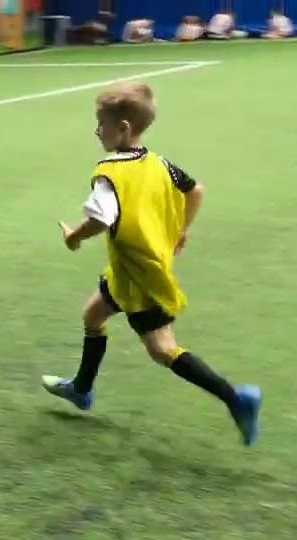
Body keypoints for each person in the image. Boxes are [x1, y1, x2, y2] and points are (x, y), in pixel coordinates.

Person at [41, 82, 262, 446]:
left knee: (163, 349)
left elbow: (100, 220)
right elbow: (196, 190)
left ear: (123, 128)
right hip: (129, 270)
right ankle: (81, 388)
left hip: (141, 278)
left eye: (101, 124)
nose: (97, 131)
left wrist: (74, 238)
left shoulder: (109, 173)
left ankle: (236, 399)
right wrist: (181, 230)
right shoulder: (158, 163)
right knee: (93, 315)